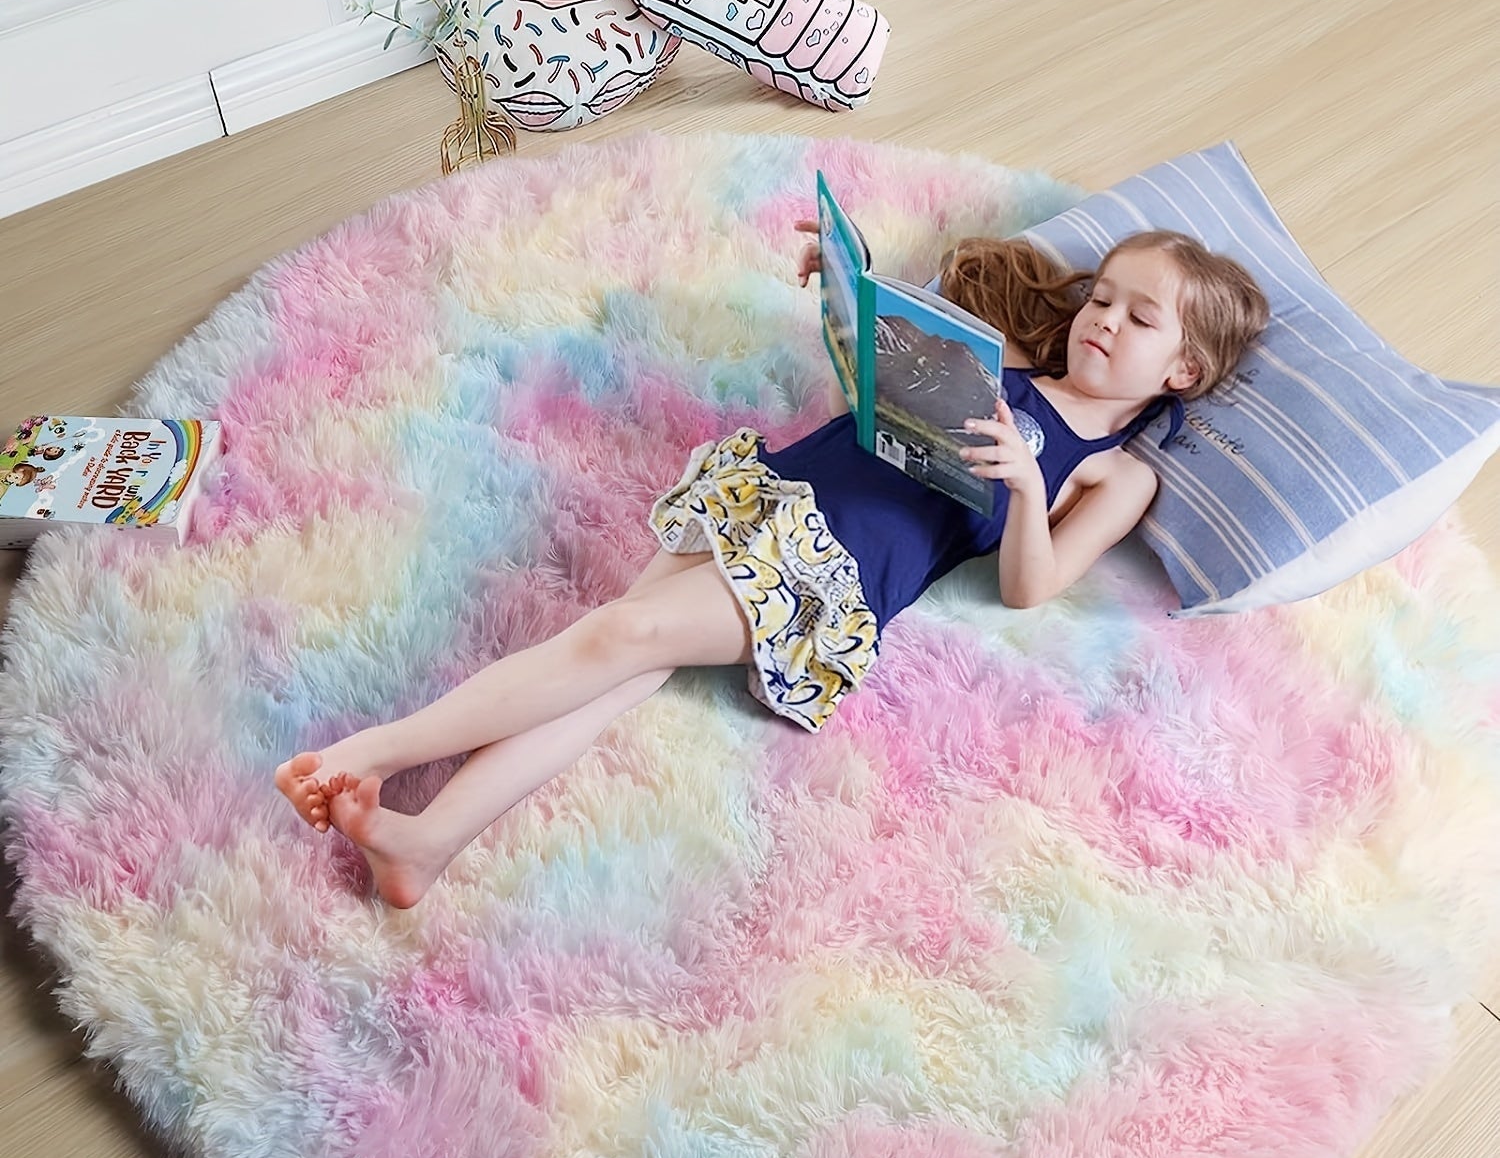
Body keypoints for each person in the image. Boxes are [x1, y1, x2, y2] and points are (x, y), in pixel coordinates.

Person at [275, 221, 1269, 906]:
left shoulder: (1115, 474)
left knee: (622, 635)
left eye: (1140, 319)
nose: (1104, 320)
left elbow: (1031, 588)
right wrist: (842, 289)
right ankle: (426, 843)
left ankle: (379, 752)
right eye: (1103, 298)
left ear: (1183, 369)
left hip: (831, 568)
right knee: (620, 664)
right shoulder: (1000, 360)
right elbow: (879, 375)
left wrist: (1020, 485)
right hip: (780, 491)